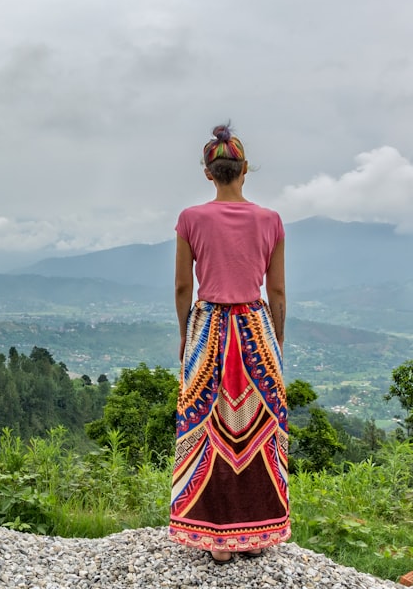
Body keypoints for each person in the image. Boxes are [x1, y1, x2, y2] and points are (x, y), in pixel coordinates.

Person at [168, 124, 289, 565]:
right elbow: (277, 293)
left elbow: (184, 287)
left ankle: (216, 539)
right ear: (244, 171)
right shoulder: (271, 221)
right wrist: (274, 341)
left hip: (209, 328)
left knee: (207, 429)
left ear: (208, 174)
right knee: (260, 430)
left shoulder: (190, 219)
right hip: (255, 330)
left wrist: (186, 334)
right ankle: (256, 534)